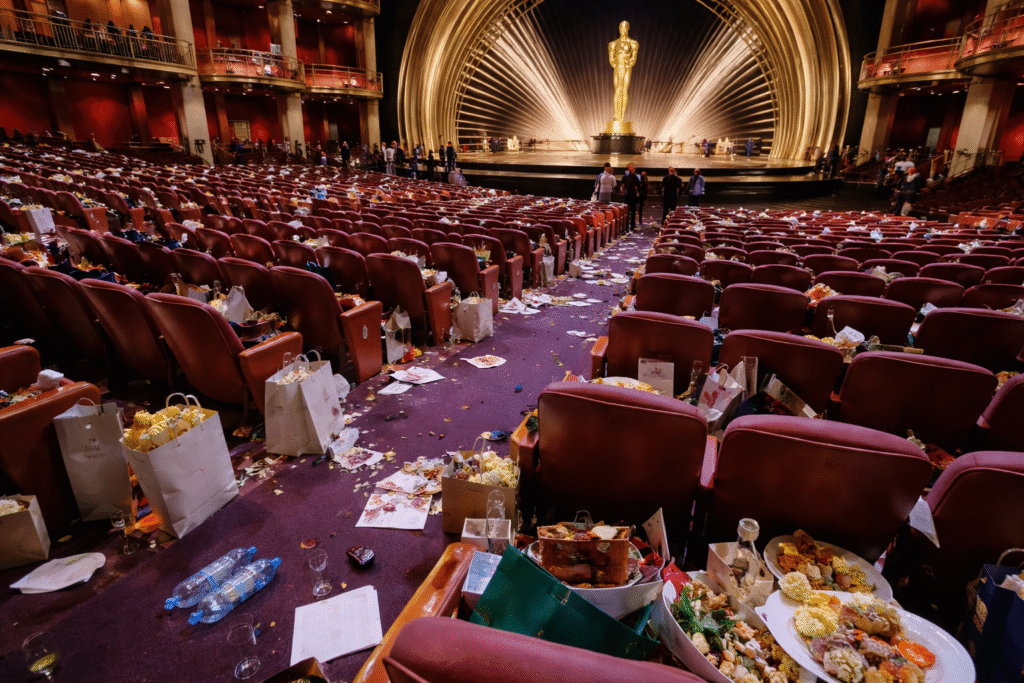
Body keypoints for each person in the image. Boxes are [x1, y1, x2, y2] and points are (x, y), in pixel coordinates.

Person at [620, 163, 640, 231]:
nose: (632, 168)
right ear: (628, 168)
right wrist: (623, 190)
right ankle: (625, 226)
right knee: (626, 211)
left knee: (633, 210)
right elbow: (622, 185)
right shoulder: (625, 176)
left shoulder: (635, 176)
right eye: (630, 167)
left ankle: (632, 225)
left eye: (632, 167)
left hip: (633, 195)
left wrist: (636, 188)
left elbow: (638, 184)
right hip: (627, 195)